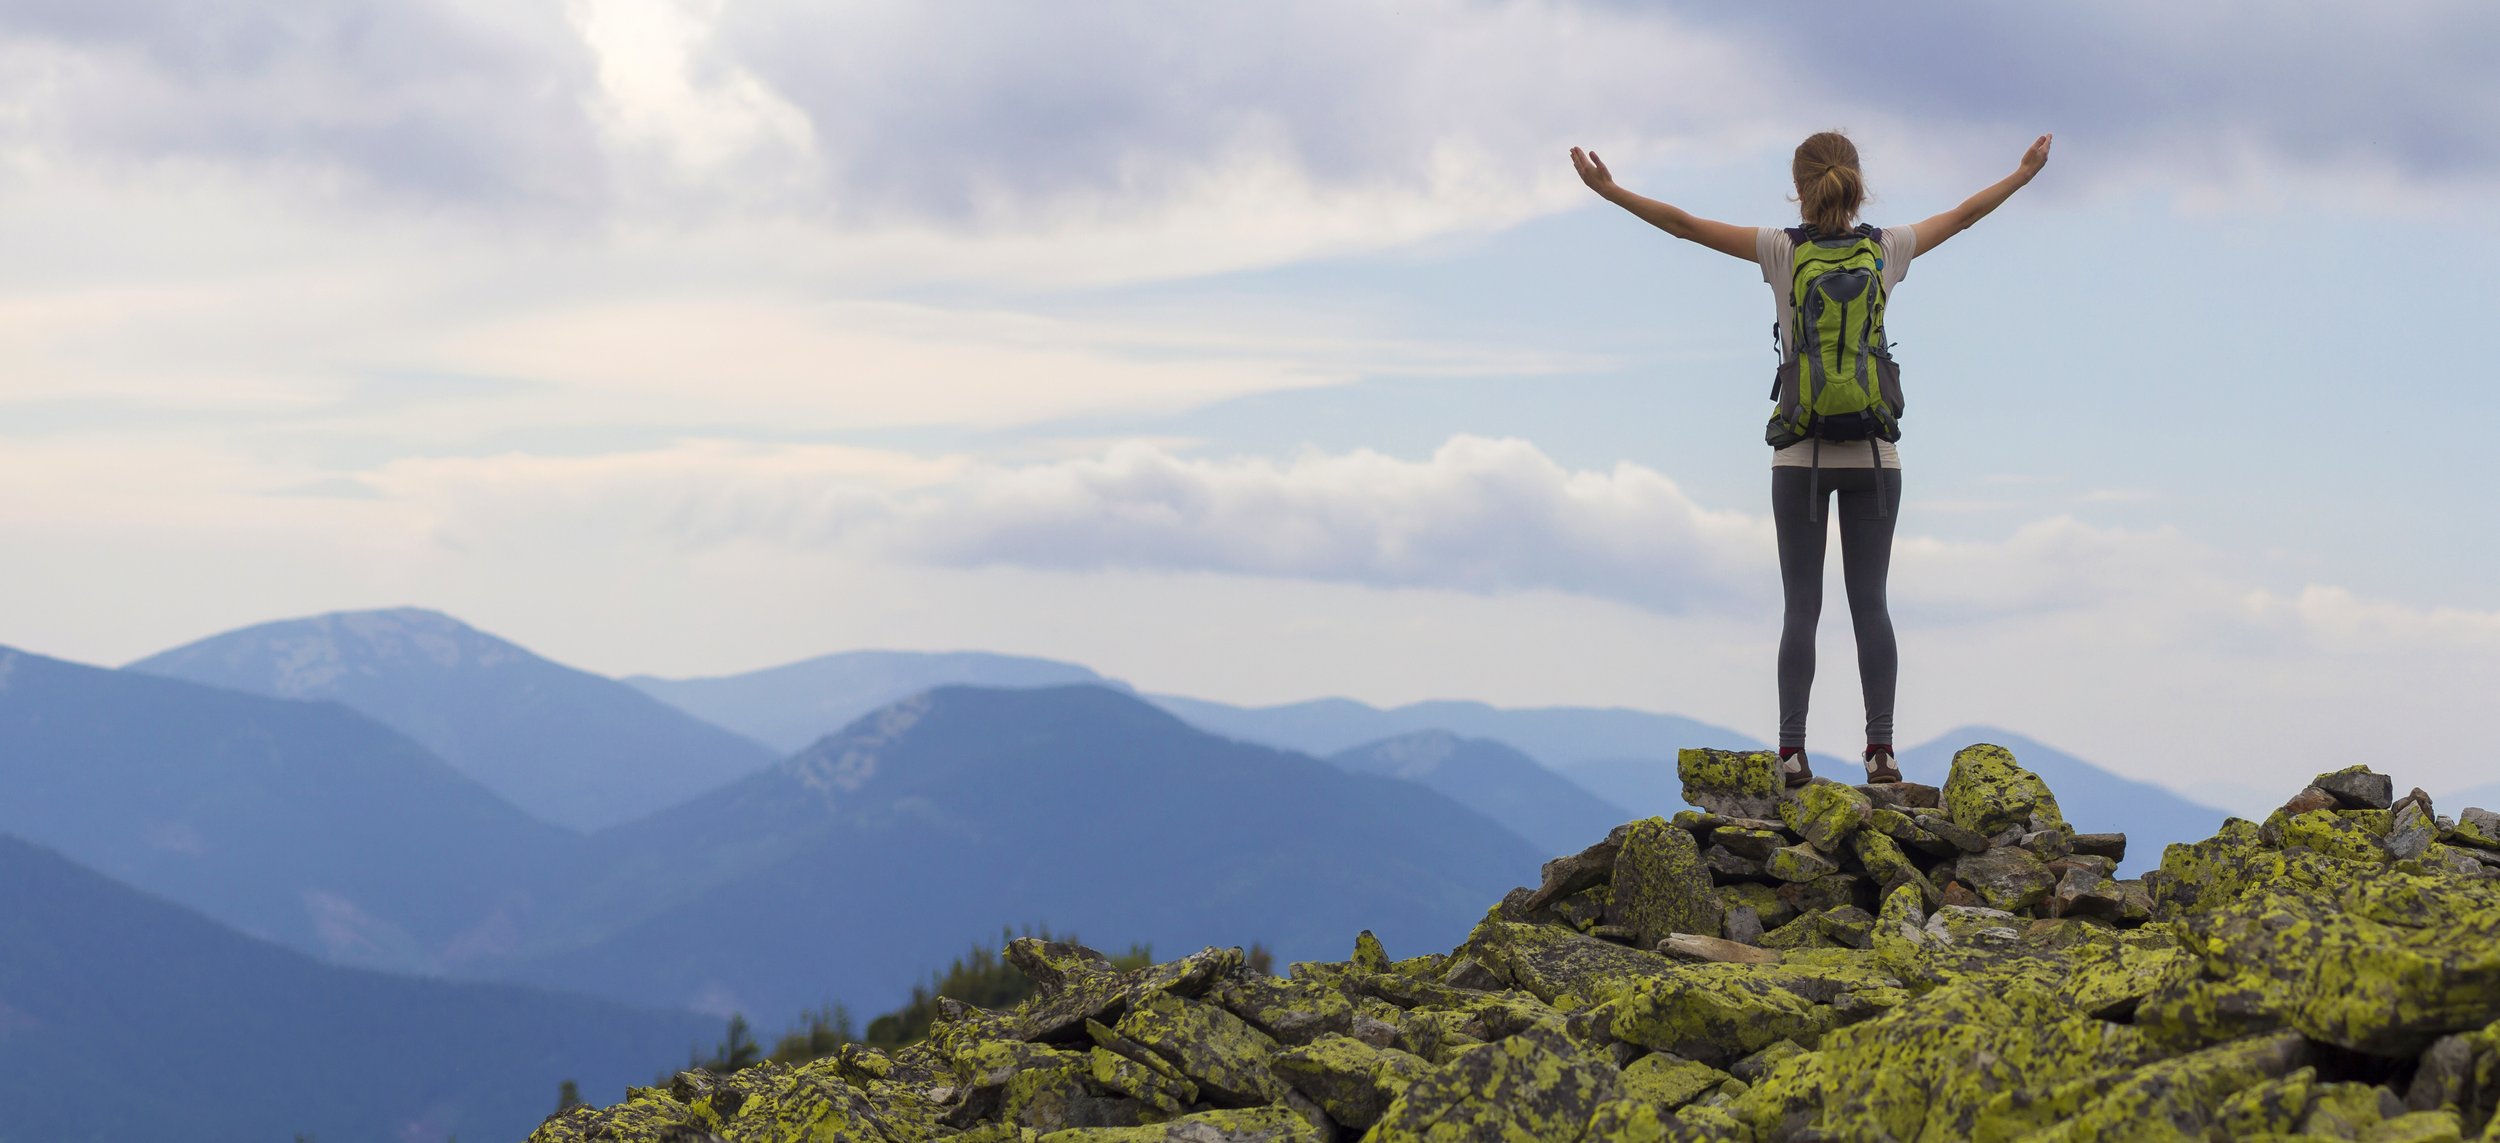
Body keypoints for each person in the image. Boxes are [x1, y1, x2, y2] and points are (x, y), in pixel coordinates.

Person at [1570, 129, 2052, 787]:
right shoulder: (1887, 248)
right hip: (1875, 454)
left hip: (1800, 450)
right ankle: (1881, 752)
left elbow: (1683, 225)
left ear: (1798, 187)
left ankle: (1792, 752)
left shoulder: (1778, 249)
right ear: (1856, 182)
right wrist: (2022, 174)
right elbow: (1964, 216)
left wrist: (1610, 190)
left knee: (1802, 606)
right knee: (1870, 604)